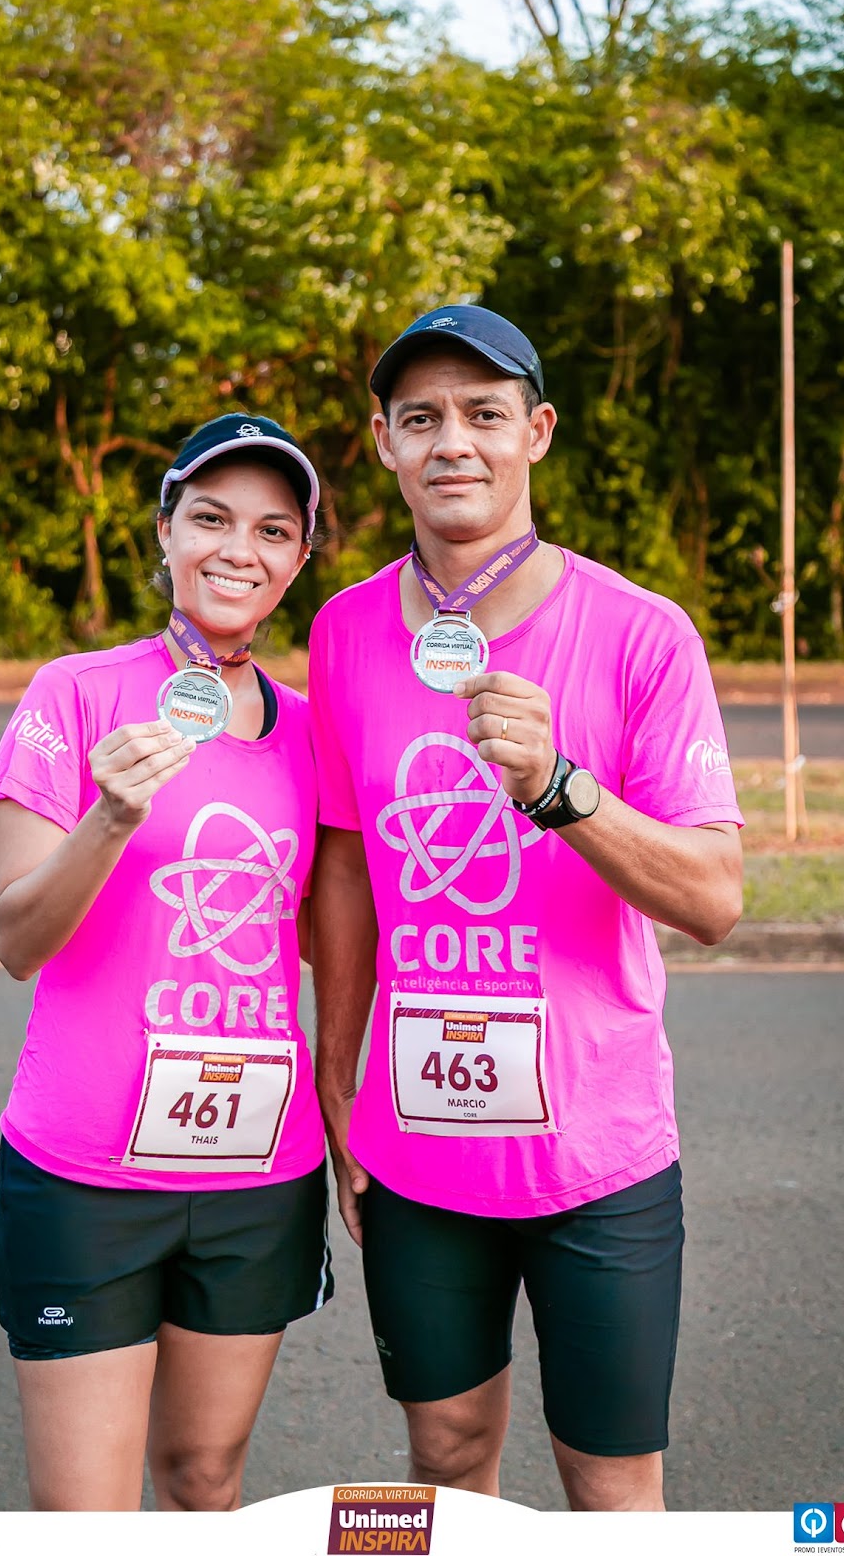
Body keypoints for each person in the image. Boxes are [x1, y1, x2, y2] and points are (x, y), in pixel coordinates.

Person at [308, 306, 744, 1512]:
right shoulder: (343, 630)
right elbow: (342, 863)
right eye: (420, 418)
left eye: (483, 414)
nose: (452, 441)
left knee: (608, 1485)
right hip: (414, 1151)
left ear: (535, 432)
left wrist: (559, 788)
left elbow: (713, 896)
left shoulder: (643, 633)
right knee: (441, 1462)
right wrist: (336, 1075)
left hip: (598, 1157)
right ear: (385, 444)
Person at [0, 412, 332, 1512]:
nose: (240, 550)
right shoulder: (75, 693)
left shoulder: (315, 732)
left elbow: (332, 938)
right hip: (85, 1176)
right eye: (212, 519)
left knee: (203, 1480)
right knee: (84, 1518)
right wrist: (110, 815)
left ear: (298, 560)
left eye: (272, 531)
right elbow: (18, 939)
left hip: (258, 1175)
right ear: (166, 533)